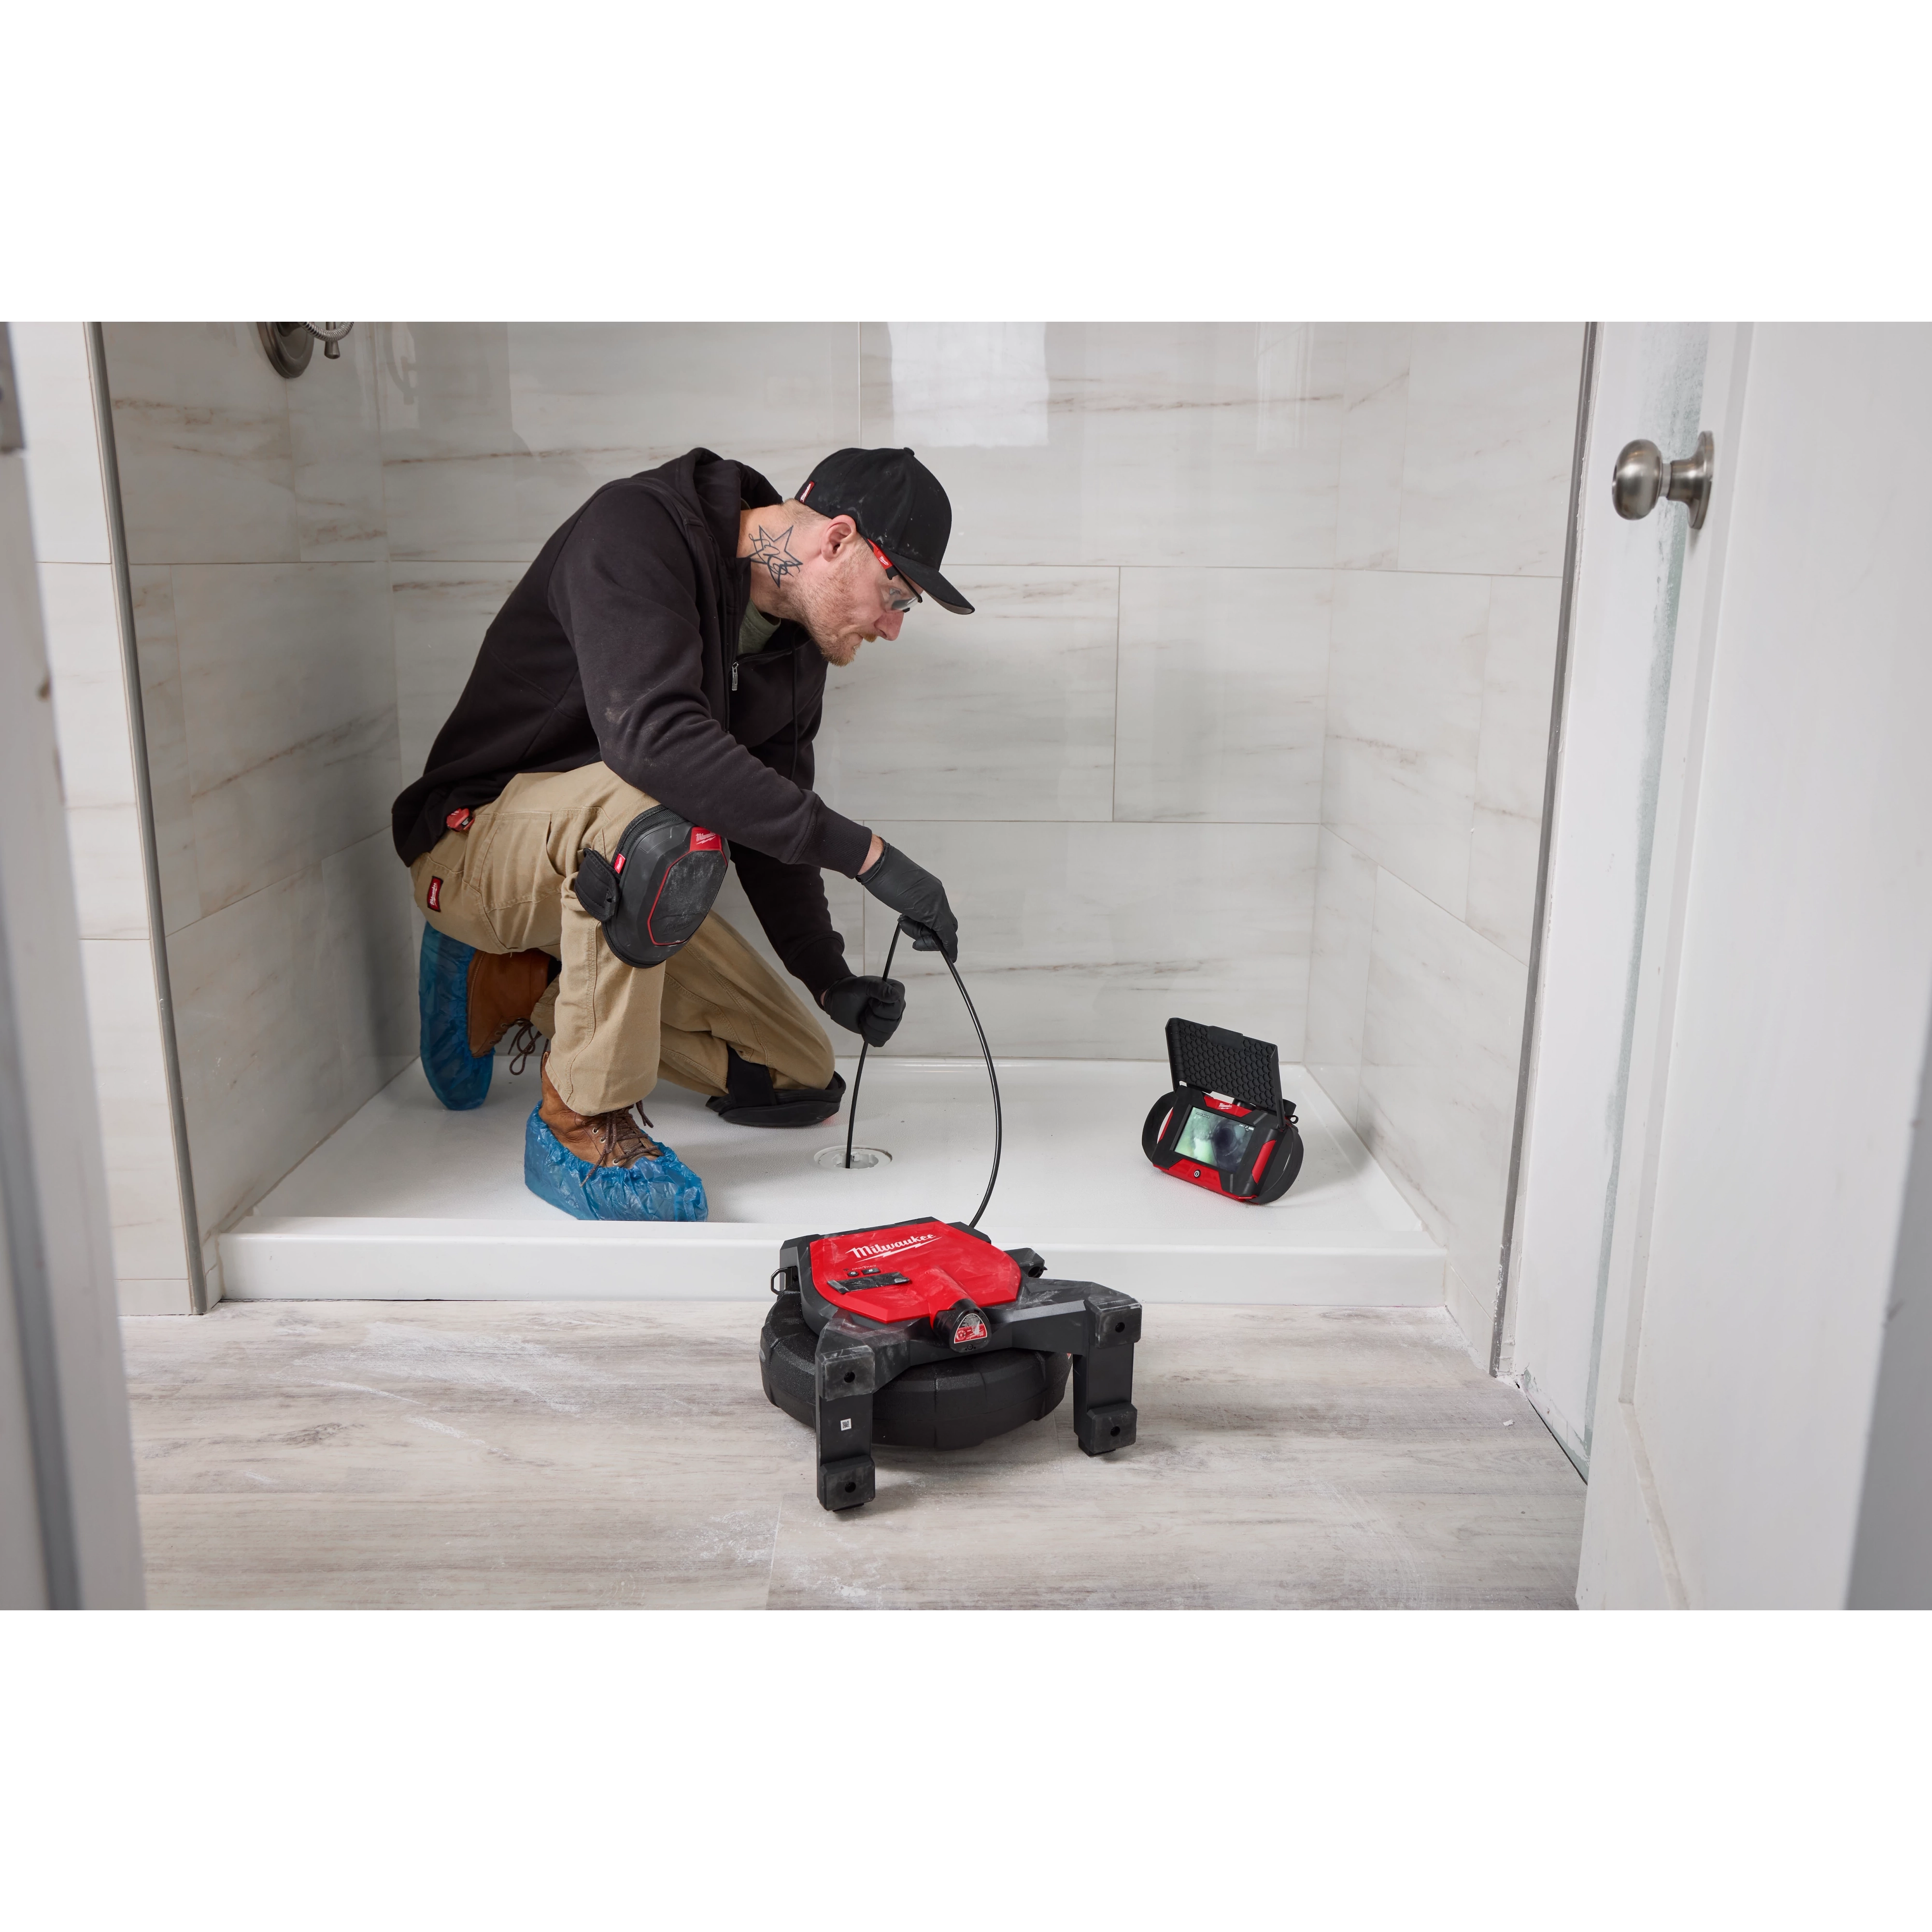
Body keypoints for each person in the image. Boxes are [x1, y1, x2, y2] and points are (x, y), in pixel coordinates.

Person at [390, 446, 970, 1221]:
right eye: (896, 594)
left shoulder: (794, 650)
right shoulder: (637, 529)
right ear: (837, 540)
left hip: (609, 858)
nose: (893, 627)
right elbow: (654, 742)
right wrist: (869, 857)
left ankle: (517, 981)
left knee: (801, 1077)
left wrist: (826, 976)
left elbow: (771, 813)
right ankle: (580, 1122)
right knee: (660, 809)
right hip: (478, 841)